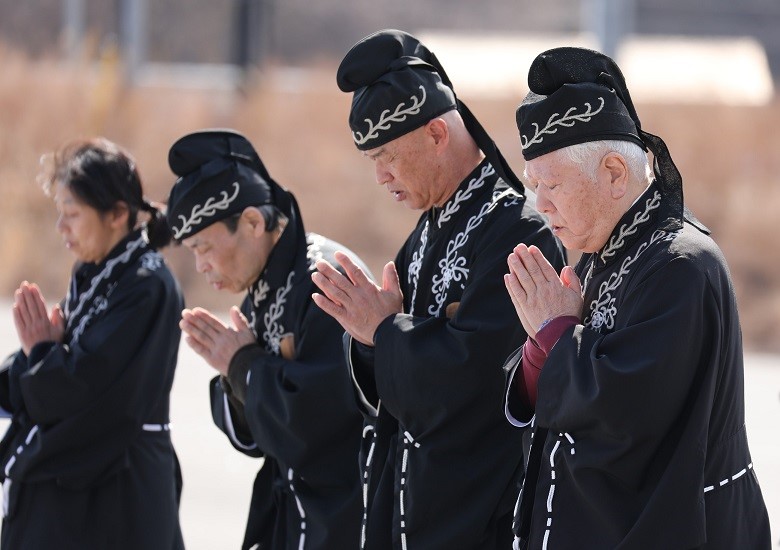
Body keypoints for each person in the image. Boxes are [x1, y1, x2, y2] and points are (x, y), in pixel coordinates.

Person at [503, 47, 771, 549]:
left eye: (552, 184)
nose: (539, 204)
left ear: (613, 173)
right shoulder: (601, 252)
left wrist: (557, 338)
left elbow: (631, 415)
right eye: (532, 184)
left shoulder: (681, 265)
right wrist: (542, 349)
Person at [312, 30, 565, 549]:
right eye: (371, 161)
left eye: (387, 156)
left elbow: (480, 378)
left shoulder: (520, 231)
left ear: (435, 133)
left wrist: (383, 331)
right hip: (409, 514)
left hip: (477, 520)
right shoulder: (424, 234)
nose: (381, 177)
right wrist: (368, 339)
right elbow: (389, 383)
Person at [166, 129, 366, 550]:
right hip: (289, 516)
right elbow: (257, 441)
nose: (200, 266)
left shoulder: (325, 281)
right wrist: (233, 369)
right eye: (192, 252)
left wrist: (242, 365)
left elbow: (317, 429)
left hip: (343, 520)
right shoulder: (266, 288)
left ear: (253, 222)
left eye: (204, 247)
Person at [0, 138, 184, 549]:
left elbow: (92, 386)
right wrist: (33, 358)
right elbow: (62, 353)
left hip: (122, 485)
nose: (60, 227)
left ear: (117, 214)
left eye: (72, 214)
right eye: (59, 213)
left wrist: (41, 353)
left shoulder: (146, 284)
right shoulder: (97, 270)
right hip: (96, 477)